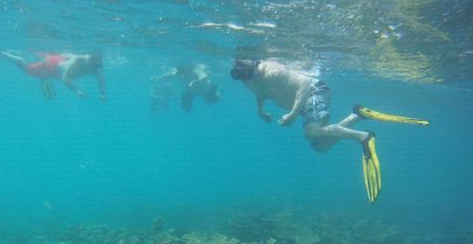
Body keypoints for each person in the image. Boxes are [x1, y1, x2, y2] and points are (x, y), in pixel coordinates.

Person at [230, 58, 429, 203]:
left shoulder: (273, 71)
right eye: (247, 79)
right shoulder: (248, 79)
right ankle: (357, 115)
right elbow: (260, 93)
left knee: (312, 132)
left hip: (314, 92)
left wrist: (292, 114)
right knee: (320, 147)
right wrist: (261, 111)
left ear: (255, 66)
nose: (251, 81)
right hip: (302, 105)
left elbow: (304, 85)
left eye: (252, 76)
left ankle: (364, 137)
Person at [0, 51, 106, 101]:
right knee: (26, 69)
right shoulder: (77, 61)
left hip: (55, 69)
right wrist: (77, 91)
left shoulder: (96, 66)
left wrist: (102, 93)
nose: (96, 67)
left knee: (38, 73)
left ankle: (42, 76)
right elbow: (65, 79)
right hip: (52, 66)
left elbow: (101, 80)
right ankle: (2, 54)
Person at [151, 64, 220, 112]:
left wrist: (199, 80)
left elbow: (204, 75)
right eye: (179, 70)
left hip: (207, 89)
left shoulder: (194, 70)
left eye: (180, 70)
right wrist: (158, 78)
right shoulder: (179, 72)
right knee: (184, 102)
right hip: (192, 90)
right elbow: (170, 75)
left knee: (211, 101)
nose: (179, 72)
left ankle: (219, 93)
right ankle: (187, 108)